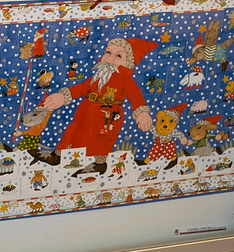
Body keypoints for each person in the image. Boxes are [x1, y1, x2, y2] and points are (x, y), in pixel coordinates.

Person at [39, 38, 157, 174]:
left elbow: (136, 97)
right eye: (108, 52)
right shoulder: (99, 75)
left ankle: (100, 164)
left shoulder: (126, 81)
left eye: (119, 55)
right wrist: (64, 96)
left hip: (107, 117)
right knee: (73, 132)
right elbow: (82, 87)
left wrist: (142, 113)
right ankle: (58, 156)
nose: (110, 58)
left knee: (101, 141)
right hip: (85, 112)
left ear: (128, 62)